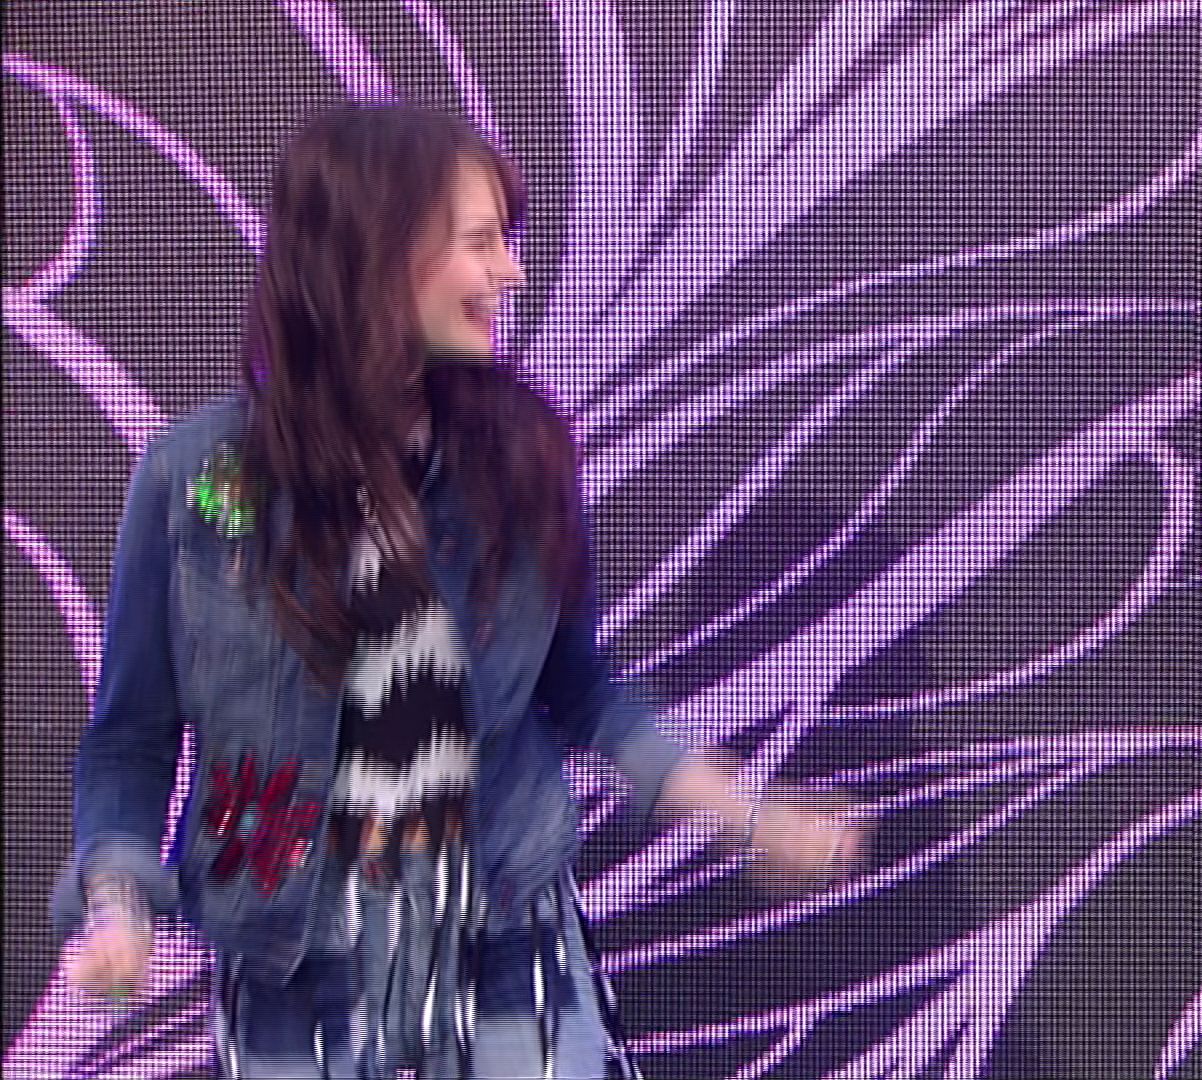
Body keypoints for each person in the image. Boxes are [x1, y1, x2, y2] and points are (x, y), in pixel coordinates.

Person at [55, 101, 864, 1080]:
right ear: (377, 254)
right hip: (289, 967)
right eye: (481, 242)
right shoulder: (192, 480)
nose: (510, 271)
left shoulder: (519, 459)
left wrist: (739, 809)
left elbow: (582, 692)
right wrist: (119, 904)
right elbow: (131, 739)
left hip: (508, 936)